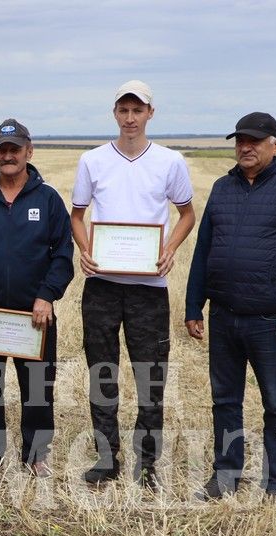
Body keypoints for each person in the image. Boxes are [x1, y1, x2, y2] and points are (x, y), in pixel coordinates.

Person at [185, 112, 276, 500]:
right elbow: (203, 251)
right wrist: (194, 305)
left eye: (255, 141)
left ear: (275, 144)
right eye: (240, 140)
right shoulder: (221, 187)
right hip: (224, 317)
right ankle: (225, 476)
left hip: (270, 321)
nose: (245, 147)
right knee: (224, 400)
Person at [70, 80, 196, 489]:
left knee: (150, 377)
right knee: (102, 375)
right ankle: (107, 460)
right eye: (123, 110)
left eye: (137, 110)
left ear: (150, 114)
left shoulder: (170, 161)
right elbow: (77, 215)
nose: (130, 118)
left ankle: (147, 464)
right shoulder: (92, 161)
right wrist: (87, 250)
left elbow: (187, 214)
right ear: (115, 114)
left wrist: (170, 249)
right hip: (102, 287)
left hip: (149, 289)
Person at [0, 119, 74, 476]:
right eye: (2, 150)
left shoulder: (48, 199)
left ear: (28, 151)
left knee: (37, 388)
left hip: (34, 315)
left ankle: (35, 455)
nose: (8, 156)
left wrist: (47, 296)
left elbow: (63, 254)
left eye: (15, 149)